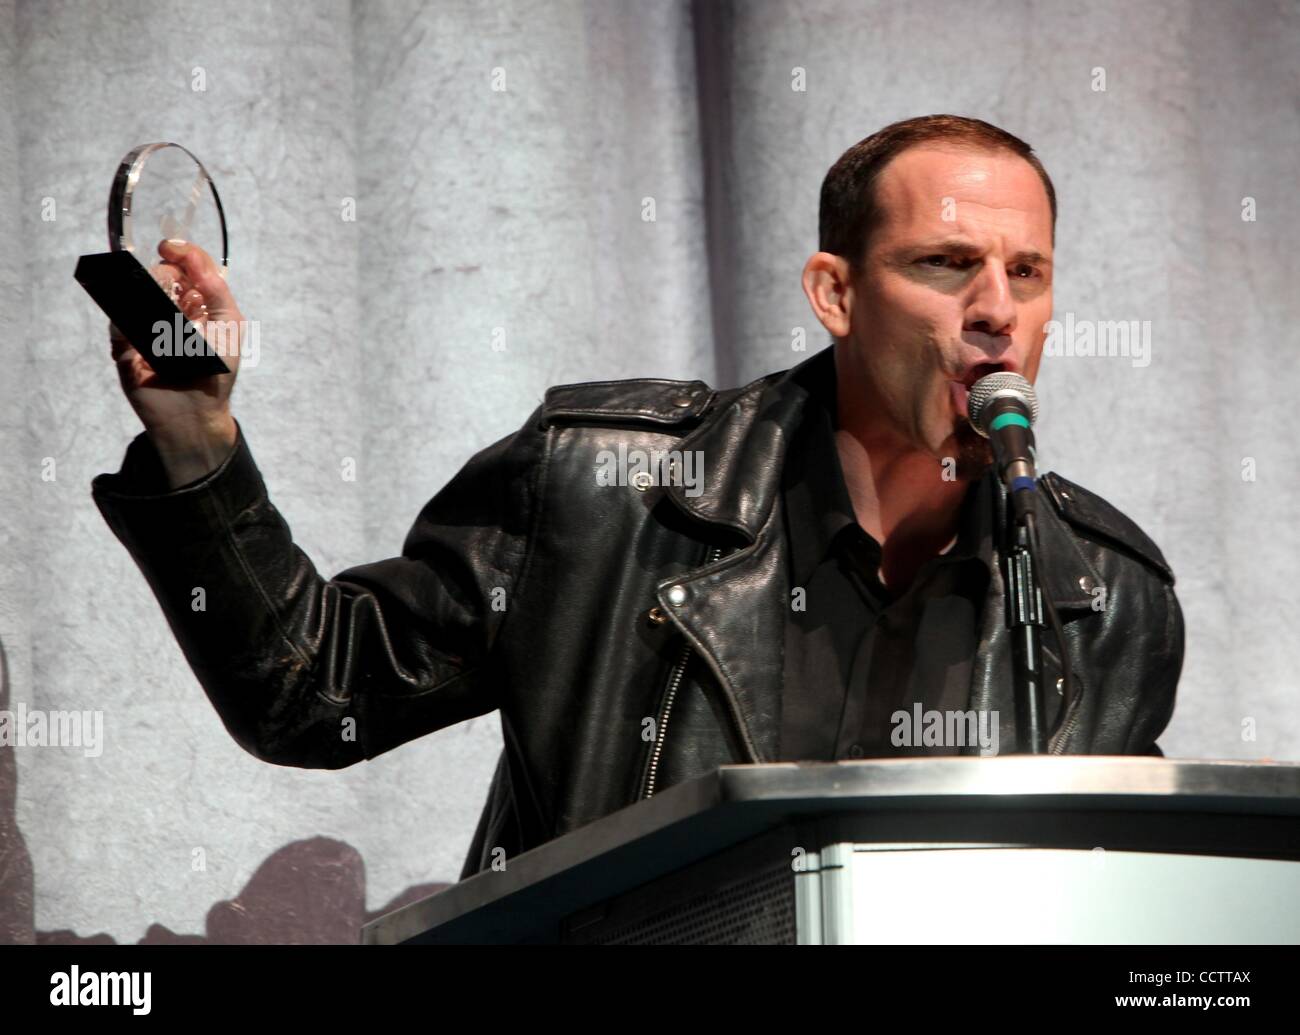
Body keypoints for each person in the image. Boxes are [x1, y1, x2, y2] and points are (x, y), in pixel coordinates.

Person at [94, 114, 1183, 879]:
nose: (995, 310)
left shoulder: (1106, 597)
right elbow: (313, 698)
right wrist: (200, 446)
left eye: (1026, 274)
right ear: (835, 293)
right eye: (945, 265)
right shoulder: (603, 491)